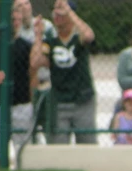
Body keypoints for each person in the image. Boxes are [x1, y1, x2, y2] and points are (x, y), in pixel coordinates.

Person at [30, 0, 97, 145]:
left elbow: (89, 36)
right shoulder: (51, 41)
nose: (57, 15)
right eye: (55, 12)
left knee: (87, 144)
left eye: (61, 12)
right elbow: (35, 62)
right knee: (57, 145)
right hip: (59, 101)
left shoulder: (77, 37)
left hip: (82, 100)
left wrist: (69, 12)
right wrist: (38, 36)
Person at [0, 7, 33, 168]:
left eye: (18, 20)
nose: (15, 23)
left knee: (24, 151)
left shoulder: (26, 46)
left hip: (22, 103)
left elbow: (33, 74)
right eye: (12, 20)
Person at [14, 0, 54, 143]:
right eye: (20, 5)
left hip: (46, 83)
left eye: (27, 3)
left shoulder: (45, 26)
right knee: (30, 130)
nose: (25, 8)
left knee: (50, 127)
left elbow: (50, 55)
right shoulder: (16, 32)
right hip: (28, 86)